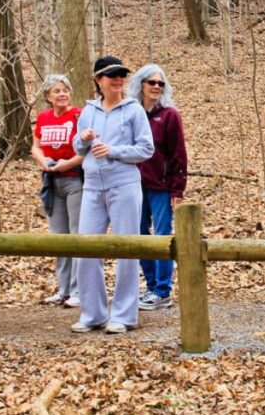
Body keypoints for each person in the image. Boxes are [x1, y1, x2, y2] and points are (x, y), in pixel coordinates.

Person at [70, 56, 154, 334]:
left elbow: (146, 149)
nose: (118, 80)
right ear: (99, 81)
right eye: (111, 76)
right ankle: (92, 313)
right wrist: (82, 140)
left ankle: (123, 315)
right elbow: (78, 148)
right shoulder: (88, 111)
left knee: (126, 249)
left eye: (121, 75)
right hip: (92, 186)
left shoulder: (134, 110)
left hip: (125, 186)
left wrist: (115, 150)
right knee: (86, 249)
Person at [127, 64, 187, 311]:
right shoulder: (131, 113)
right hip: (133, 186)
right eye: (151, 82)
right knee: (140, 236)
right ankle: (150, 286)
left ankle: (162, 290)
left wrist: (177, 190)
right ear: (141, 84)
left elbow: (178, 155)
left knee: (162, 237)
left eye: (160, 83)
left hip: (162, 188)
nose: (156, 87)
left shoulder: (170, 115)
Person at [32, 74, 83, 309]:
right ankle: (63, 289)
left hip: (75, 180)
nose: (62, 94)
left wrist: (68, 164)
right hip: (52, 182)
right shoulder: (43, 118)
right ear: (47, 96)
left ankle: (78, 289)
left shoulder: (78, 115)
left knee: (76, 235)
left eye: (65, 90)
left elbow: (86, 150)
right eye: (56, 91)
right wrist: (44, 162)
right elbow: (36, 147)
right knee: (59, 236)